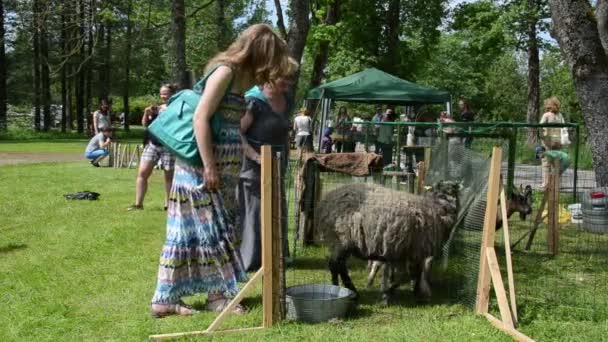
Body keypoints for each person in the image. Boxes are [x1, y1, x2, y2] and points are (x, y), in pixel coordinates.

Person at [150, 23, 292, 318]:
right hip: (201, 169)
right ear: (261, 52)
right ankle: (204, 297)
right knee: (207, 231)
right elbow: (200, 118)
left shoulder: (240, 79)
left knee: (210, 231)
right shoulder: (225, 72)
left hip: (224, 171)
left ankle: (203, 296)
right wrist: (209, 167)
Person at [238, 61, 297, 272]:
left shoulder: (287, 99)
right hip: (254, 166)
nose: (289, 83)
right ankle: (251, 259)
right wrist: (255, 156)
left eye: (291, 78)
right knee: (255, 212)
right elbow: (238, 132)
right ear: (270, 76)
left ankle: (277, 256)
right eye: (285, 78)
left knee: (277, 208)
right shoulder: (254, 101)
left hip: (277, 163)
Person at [128, 85, 177, 211]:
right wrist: (146, 113)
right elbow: (145, 125)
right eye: (161, 94)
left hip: (168, 146)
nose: (163, 96)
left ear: (173, 94)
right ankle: (138, 204)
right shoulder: (157, 109)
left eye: (166, 93)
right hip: (152, 144)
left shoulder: (177, 108)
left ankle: (168, 205)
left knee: (169, 176)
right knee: (142, 173)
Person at [539, 96, 566, 189]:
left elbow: (541, 126)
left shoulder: (553, 115)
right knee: (551, 162)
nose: (548, 107)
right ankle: (551, 183)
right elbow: (541, 127)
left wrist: (563, 140)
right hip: (552, 141)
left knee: (551, 162)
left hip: (553, 141)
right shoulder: (553, 115)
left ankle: (551, 183)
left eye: (549, 105)